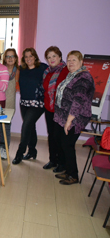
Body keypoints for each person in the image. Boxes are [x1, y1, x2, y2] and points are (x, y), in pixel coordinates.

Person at [53, 50, 94, 185]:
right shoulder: (72, 76)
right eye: (69, 60)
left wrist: (69, 120)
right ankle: (68, 171)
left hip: (76, 117)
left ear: (81, 62)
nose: (70, 63)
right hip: (66, 115)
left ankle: (74, 175)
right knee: (64, 144)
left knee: (67, 144)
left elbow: (78, 101)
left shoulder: (83, 78)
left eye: (74, 60)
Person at [12, 48, 48, 164]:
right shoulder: (21, 69)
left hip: (38, 103)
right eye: (26, 56)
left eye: (30, 56)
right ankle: (32, 151)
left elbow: (56, 73)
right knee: (31, 127)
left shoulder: (43, 68)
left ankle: (19, 153)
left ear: (35, 57)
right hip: (24, 103)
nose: (28, 59)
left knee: (26, 125)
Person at [42, 46, 69, 171]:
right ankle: (53, 160)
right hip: (49, 108)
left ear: (59, 57)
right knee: (51, 135)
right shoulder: (47, 71)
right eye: (49, 57)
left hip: (61, 110)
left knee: (59, 137)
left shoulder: (66, 70)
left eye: (54, 56)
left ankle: (62, 163)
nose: (51, 59)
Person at [0, 48, 19, 159]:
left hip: (10, 103)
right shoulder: (1, 70)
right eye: (7, 56)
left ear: (15, 58)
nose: (10, 58)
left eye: (12, 56)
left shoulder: (19, 71)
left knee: (6, 126)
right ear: (4, 59)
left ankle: (5, 149)